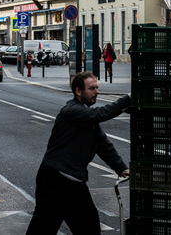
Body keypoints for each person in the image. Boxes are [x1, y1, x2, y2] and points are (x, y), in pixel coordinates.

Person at [26, 71, 131, 235]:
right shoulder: (72, 111)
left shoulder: (87, 117)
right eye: (92, 88)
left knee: (89, 227)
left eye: (97, 87)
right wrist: (128, 99)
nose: (97, 91)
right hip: (54, 180)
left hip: (74, 182)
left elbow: (103, 145)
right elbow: (101, 113)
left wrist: (121, 168)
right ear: (78, 91)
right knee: (44, 227)